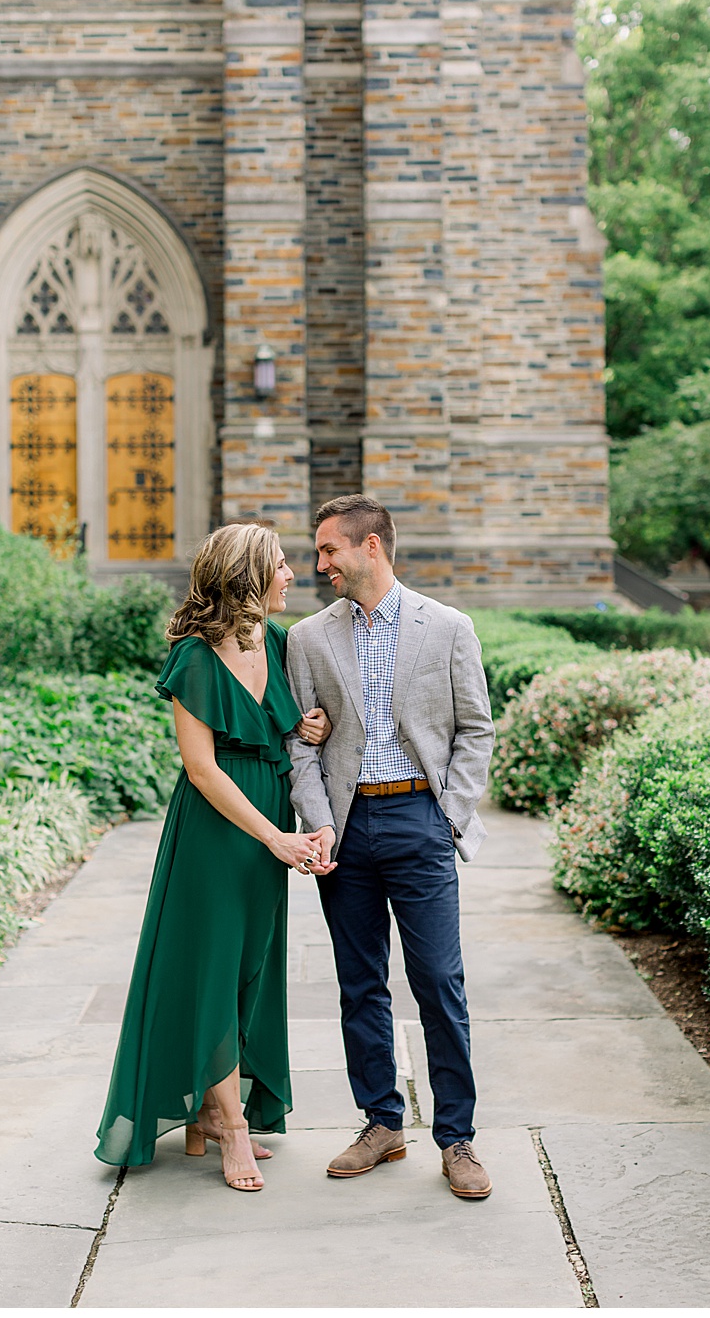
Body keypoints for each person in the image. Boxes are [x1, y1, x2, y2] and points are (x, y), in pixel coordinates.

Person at [96, 523, 332, 1191]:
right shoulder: (194, 658)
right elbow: (201, 769)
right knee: (212, 971)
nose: (291, 574)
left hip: (269, 819)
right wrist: (275, 838)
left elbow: (283, 725)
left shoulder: (278, 642)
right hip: (216, 830)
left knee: (250, 968)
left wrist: (307, 725)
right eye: (280, 564)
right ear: (247, 576)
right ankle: (230, 1126)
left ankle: (208, 1110)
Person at [284, 495, 496, 1199]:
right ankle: (381, 1122)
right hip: (345, 828)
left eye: (329, 549)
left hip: (419, 819)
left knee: (438, 981)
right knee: (360, 983)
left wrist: (449, 814)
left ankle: (457, 1137)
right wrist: (319, 823)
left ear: (370, 546)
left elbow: (475, 729)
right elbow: (300, 742)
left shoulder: (449, 628)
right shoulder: (307, 638)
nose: (320, 563)